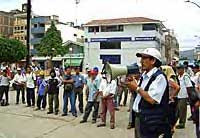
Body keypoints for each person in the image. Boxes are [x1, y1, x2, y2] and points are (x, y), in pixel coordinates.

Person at [126, 48, 171, 138]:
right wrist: (131, 86)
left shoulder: (159, 77)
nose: (141, 61)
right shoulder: (144, 76)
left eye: (144, 58)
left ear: (153, 60)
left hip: (152, 122)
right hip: (142, 119)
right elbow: (140, 94)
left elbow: (152, 99)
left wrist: (137, 87)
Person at [161, 65, 180, 134]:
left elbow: (177, 87)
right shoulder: (167, 79)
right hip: (170, 100)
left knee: (170, 116)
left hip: (171, 101)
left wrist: (172, 96)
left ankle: (171, 129)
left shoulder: (169, 80)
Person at [175, 64, 193, 129]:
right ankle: (179, 122)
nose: (178, 70)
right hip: (179, 95)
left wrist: (189, 97)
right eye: (177, 68)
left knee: (182, 110)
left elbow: (189, 87)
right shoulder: (179, 76)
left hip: (184, 96)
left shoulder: (185, 76)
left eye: (179, 68)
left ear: (182, 69)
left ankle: (182, 124)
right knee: (178, 110)